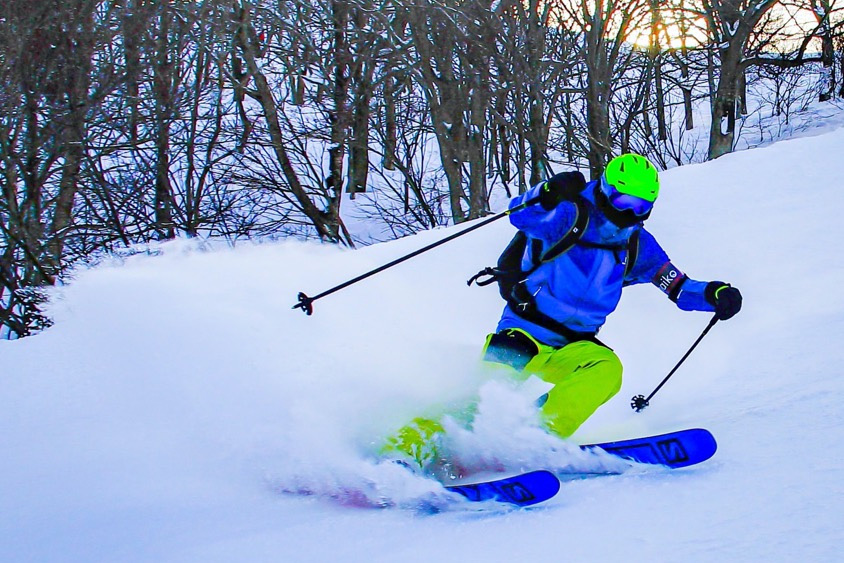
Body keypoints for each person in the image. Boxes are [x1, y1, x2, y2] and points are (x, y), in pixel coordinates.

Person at [381, 153, 742, 473]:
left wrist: (714, 294)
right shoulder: (570, 214)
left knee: (606, 370)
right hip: (523, 331)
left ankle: (532, 435)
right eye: (623, 200)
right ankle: (403, 451)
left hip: (575, 343)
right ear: (605, 190)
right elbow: (521, 215)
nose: (629, 213)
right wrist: (548, 192)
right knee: (483, 396)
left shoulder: (635, 242)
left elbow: (675, 285)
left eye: (641, 206)